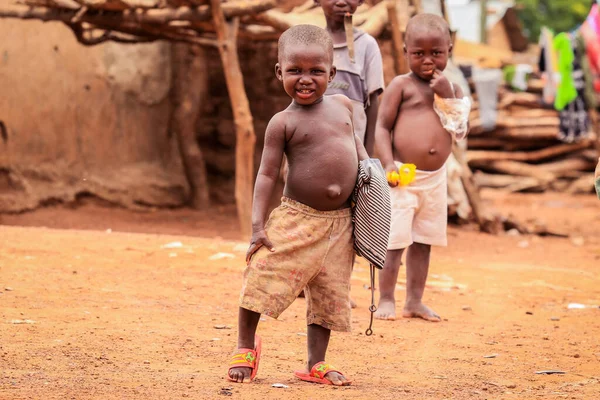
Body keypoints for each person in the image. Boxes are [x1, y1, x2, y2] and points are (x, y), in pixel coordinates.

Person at [226, 24, 368, 386]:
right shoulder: (283, 122)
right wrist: (258, 226)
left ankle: (315, 363)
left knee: (329, 291)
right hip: (297, 218)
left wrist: (374, 184)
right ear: (279, 72)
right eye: (295, 70)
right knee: (263, 273)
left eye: (316, 71)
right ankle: (245, 346)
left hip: (341, 223)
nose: (306, 79)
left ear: (332, 74)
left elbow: (358, 150)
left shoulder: (343, 106)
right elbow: (267, 175)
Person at [373, 13, 469, 322]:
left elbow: (459, 129)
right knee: (395, 241)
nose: (428, 60)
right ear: (405, 52)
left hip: (434, 180)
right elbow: (382, 128)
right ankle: (386, 297)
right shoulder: (401, 85)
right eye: (418, 53)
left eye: (436, 53)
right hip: (402, 176)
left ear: (449, 50)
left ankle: (414, 300)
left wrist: (446, 94)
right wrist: (387, 163)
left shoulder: (453, 89)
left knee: (424, 241)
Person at [317, 0, 384, 155]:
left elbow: (372, 101)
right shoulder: (312, 45)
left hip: (353, 151)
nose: (341, 2)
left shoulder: (367, 45)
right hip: (315, 149)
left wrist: (367, 156)